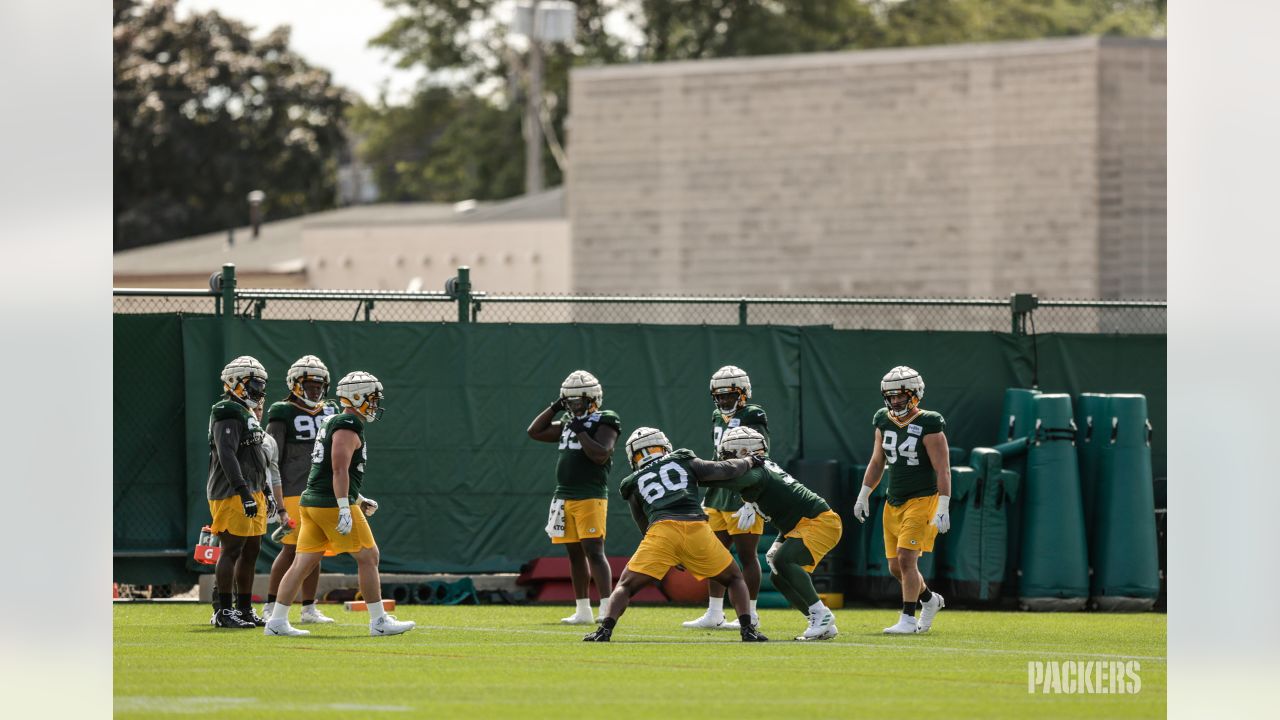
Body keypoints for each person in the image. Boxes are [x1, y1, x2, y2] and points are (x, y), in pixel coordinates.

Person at [264, 371, 414, 637]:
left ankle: (276, 622)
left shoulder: (334, 419)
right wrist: (345, 505)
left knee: (302, 563)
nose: (375, 404)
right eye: (371, 398)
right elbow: (338, 469)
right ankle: (379, 621)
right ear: (356, 397)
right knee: (369, 556)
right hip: (329, 503)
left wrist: (358, 498)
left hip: (312, 500)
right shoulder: (347, 424)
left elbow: (324, 470)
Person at [583, 427, 767, 643]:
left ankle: (604, 630)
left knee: (626, 585)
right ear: (664, 446)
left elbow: (644, 524)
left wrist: (670, 553)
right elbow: (724, 469)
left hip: (661, 530)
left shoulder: (632, 482)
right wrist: (748, 462)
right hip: (695, 526)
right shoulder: (682, 458)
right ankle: (748, 630)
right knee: (734, 578)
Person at [705, 426, 844, 641]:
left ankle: (822, 615)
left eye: (730, 454)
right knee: (779, 577)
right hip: (799, 524)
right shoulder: (762, 469)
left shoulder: (756, 472)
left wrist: (691, 473)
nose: (726, 459)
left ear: (745, 452)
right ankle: (818, 622)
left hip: (818, 521)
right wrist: (751, 503)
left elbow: (726, 479)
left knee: (782, 561)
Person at [853, 366, 952, 634]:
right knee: (896, 566)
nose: (895, 401)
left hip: (922, 499)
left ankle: (909, 618)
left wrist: (943, 506)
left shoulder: (929, 422)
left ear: (915, 394)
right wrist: (864, 494)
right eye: (891, 396)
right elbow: (877, 460)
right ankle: (929, 600)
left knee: (907, 560)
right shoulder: (883, 420)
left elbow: (942, 468)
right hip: (893, 499)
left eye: (901, 395)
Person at [526, 370, 621, 625]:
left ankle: (606, 607)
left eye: (577, 401)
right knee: (574, 554)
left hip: (590, 495)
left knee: (594, 551)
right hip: (564, 496)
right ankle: (582, 610)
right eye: (569, 402)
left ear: (592, 399)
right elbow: (534, 431)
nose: (572, 407)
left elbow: (600, 454)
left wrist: (581, 431)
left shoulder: (605, 419)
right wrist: (555, 407)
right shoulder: (569, 420)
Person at [685, 365, 769, 630]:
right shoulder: (716, 416)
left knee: (747, 555)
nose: (723, 401)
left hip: (742, 491)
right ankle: (714, 612)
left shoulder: (753, 414)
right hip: (718, 492)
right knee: (714, 553)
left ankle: (751, 613)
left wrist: (750, 498)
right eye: (719, 396)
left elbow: (761, 455)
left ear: (743, 394)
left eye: (728, 396)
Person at [261, 355, 339, 625]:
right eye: (310, 385)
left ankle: (308, 608)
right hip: (293, 489)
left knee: (315, 551)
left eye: (319, 386)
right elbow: (271, 456)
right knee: (291, 550)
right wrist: (275, 498)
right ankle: (271, 605)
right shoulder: (282, 411)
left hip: (322, 490)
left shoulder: (331, 411)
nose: (315, 390)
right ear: (295, 384)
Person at [206, 356, 270, 628]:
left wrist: (263, 487)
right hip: (232, 491)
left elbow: (253, 453)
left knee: (251, 549)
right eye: (254, 383)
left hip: (253, 488)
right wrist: (243, 491)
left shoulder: (244, 411)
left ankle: (243, 608)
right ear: (236, 382)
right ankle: (223, 611)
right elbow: (227, 454)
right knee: (231, 548)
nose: (259, 389)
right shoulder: (227, 409)